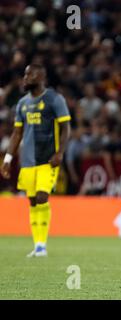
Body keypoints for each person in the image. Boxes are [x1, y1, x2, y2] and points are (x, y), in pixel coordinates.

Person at [0, 64, 71, 257]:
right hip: (27, 160)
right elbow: (17, 133)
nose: (25, 78)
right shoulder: (22, 103)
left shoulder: (54, 99)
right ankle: (38, 245)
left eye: (29, 74)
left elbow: (66, 128)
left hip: (48, 160)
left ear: (40, 76)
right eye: (24, 74)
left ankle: (42, 245)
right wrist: (7, 158)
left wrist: (60, 153)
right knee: (32, 201)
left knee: (42, 197)